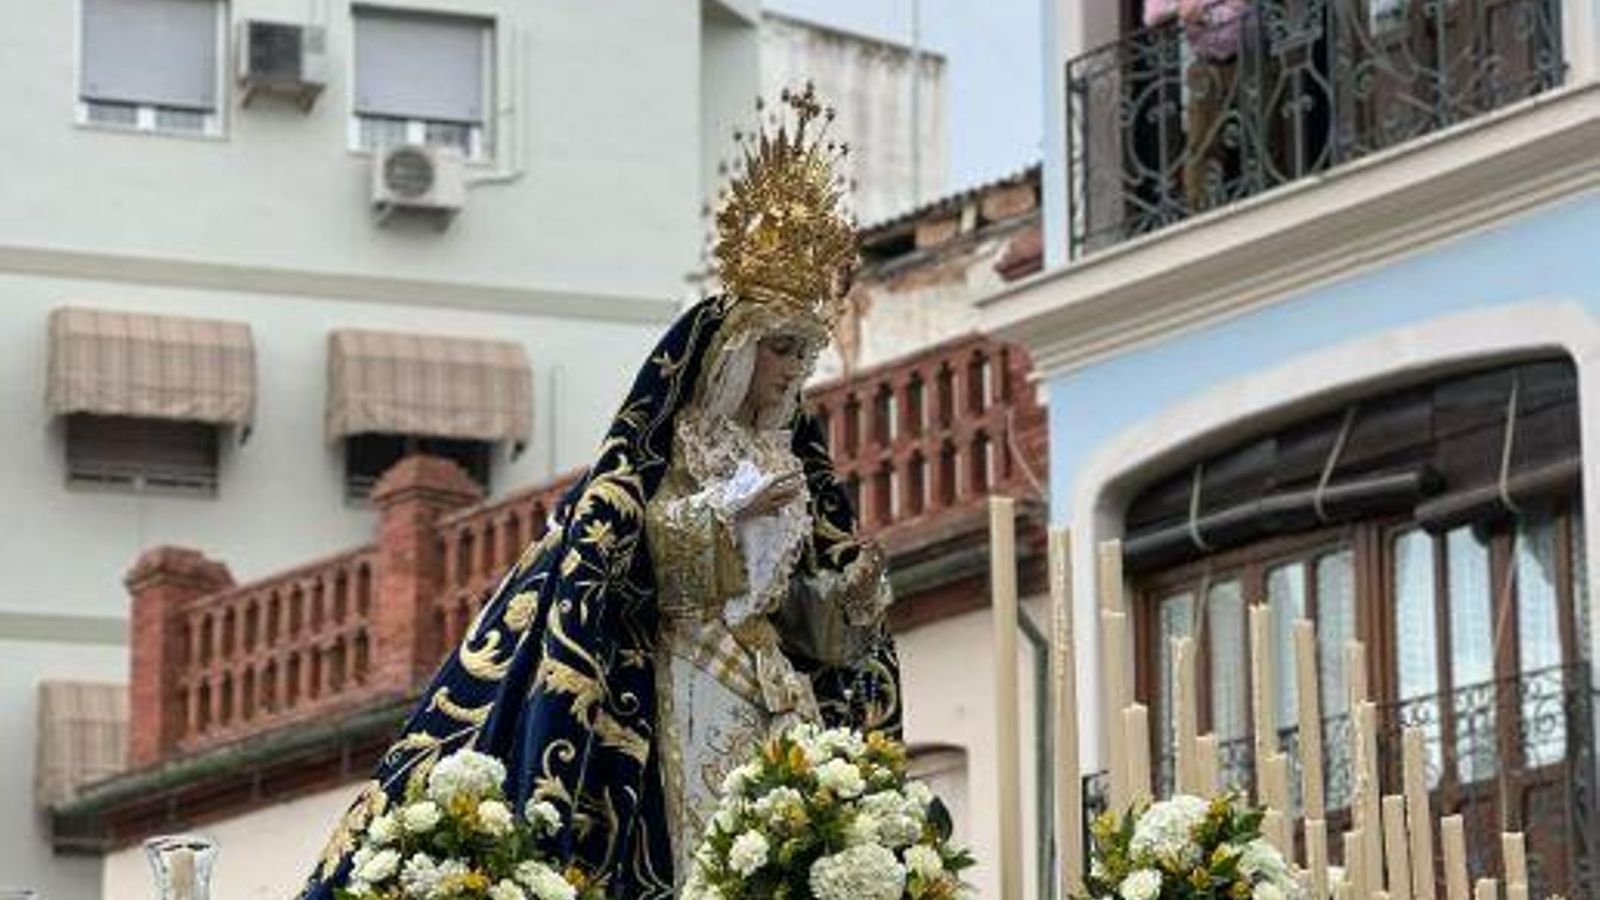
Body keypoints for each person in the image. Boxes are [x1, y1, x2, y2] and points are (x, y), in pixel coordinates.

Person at [297, 83, 900, 900]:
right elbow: (635, 555)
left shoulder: (791, 462)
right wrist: (726, 513)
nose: (793, 370)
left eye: (803, 354)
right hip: (688, 672)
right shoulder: (680, 447)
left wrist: (844, 600)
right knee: (704, 850)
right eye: (779, 350)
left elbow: (791, 617)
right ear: (735, 352)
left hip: (770, 691)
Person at [1143, 0, 1252, 212]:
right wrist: (1185, 9)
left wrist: (1200, 12)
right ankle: (1199, 209)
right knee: (1201, 143)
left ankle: (1269, 193)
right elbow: (1152, 15)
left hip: (1252, 57)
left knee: (1260, 133)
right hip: (1206, 63)